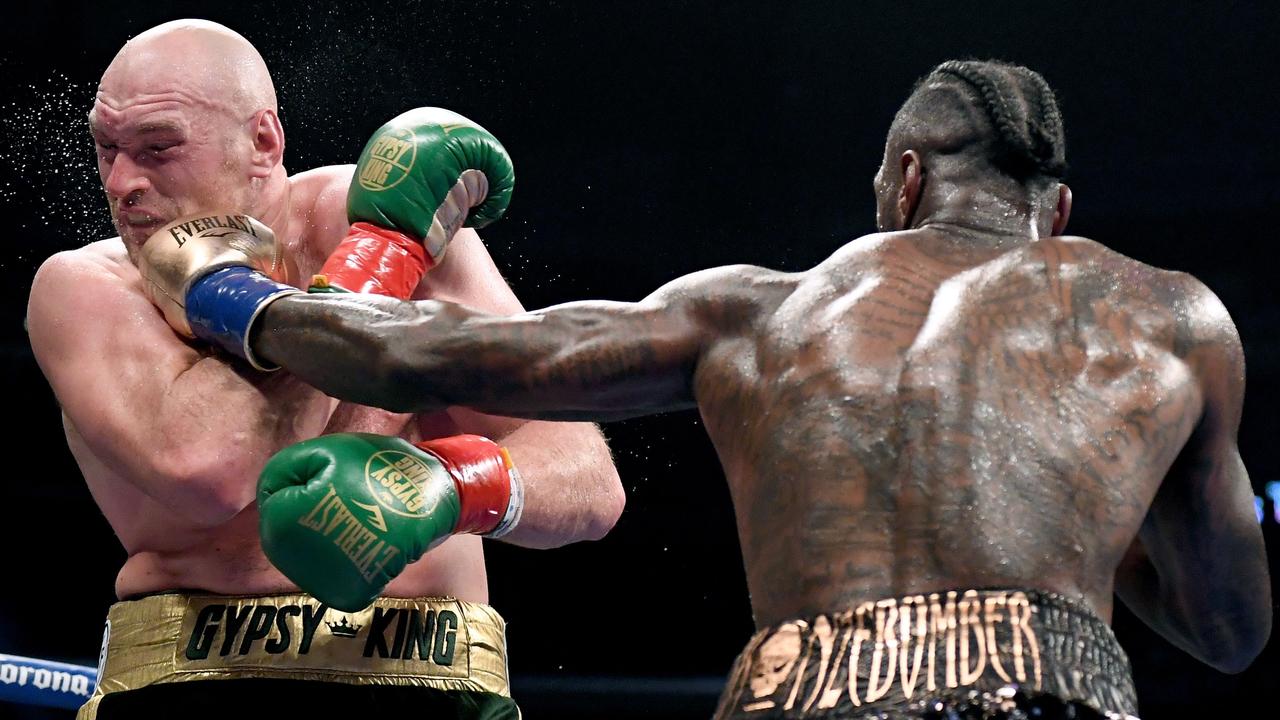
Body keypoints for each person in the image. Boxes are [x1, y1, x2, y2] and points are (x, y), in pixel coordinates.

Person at [149, 59, 1273, 718]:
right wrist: (1075, 508)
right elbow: (1227, 631)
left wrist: (234, 299)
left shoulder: (757, 307)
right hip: (1050, 681)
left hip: (806, 689)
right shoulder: (1171, 319)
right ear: (1058, 213)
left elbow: (417, 356)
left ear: (904, 179)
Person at [25, 18, 623, 719]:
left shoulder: (363, 216)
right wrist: (375, 271)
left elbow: (589, 477)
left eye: (158, 149)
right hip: (195, 686)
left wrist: (451, 486)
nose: (123, 182)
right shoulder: (88, 287)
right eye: (106, 149)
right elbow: (210, 468)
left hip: (432, 676)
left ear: (262, 141)